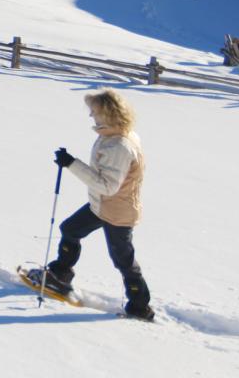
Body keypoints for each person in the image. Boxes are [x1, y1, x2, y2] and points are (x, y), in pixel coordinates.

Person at [34, 90, 154, 321]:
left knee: (123, 260)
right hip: (102, 205)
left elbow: (107, 186)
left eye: (95, 111)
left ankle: (140, 307)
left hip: (117, 212)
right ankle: (60, 275)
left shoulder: (119, 146)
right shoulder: (112, 134)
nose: (91, 115)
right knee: (70, 229)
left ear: (108, 114)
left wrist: (71, 164)